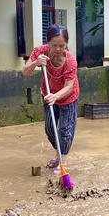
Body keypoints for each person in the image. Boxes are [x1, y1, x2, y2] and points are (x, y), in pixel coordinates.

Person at [22, 25, 80, 169]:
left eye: (62, 45)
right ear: (48, 42)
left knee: (66, 130)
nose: (58, 49)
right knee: (50, 128)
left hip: (67, 97)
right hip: (48, 94)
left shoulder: (70, 61)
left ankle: (62, 162)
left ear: (66, 44)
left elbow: (69, 86)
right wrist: (35, 63)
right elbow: (25, 72)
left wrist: (56, 96)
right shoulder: (40, 52)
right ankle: (58, 153)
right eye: (54, 45)